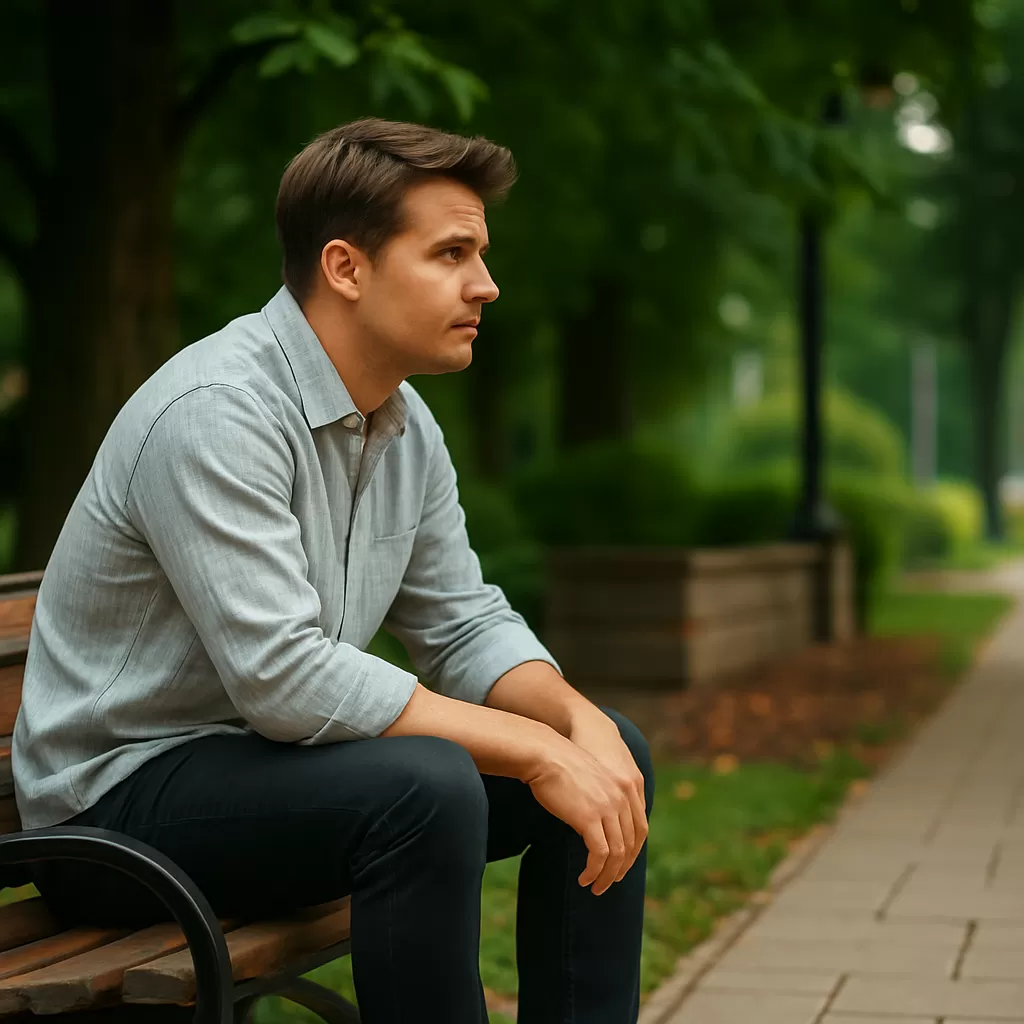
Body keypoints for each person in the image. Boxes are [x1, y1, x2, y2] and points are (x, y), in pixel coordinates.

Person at [12, 117, 655, 1023]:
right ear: (346, 267)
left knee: (610, 752)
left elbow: (462, 622)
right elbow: (283, 674)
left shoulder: (403, 423)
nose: (487, 283)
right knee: (423, 788)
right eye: (451, 253)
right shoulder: (217, 411)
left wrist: (575, 726)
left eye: (480, 253)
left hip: (272, 774)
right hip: (117, 811)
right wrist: (534, 750)